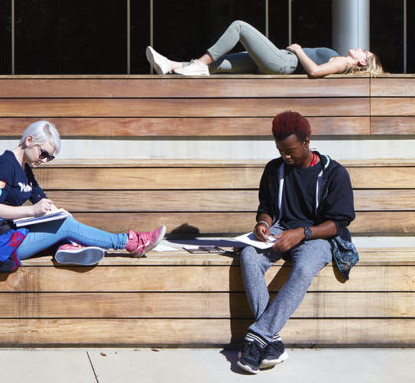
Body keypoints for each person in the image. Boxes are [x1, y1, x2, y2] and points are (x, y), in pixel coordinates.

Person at [234, 109, 355, 372]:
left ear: (306, 142)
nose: (285, 156)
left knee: (303, 268)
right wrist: (263, 224)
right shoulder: (274, 169)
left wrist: (303, 232)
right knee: (248, 255)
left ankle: (258, 337)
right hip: (279, 232)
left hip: (318, 237)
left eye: (290, 150)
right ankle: (272, 341)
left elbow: (339, 223)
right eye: (280, 150)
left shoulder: (334, 173)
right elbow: (265, 206)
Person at [0, 120, 165, 266]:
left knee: (64, 223)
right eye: (43, 154)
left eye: (49, 158)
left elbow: (40, 198)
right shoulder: (5, 166)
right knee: (66, 227)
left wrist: (59, 214)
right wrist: (33, 211)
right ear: (29, 140)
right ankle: (129, 242)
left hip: (11, 236)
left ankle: (68, 247)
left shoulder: (24, 167)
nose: (44, 160)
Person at [146, 20, 382, 77]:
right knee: (218, 63)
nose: (361, 49)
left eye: (365, 52)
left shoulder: (342, 61)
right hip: (280, 62)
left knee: (239, 26)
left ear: (362, 62)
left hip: (284, 61)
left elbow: (315, 72)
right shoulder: (341, 61)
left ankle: (196, 66)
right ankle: (170, 65)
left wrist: (299, 50)